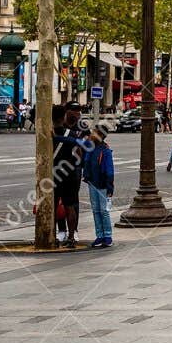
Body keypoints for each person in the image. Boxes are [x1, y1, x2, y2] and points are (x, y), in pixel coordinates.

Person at [52, 105, 85, 247]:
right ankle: (71, 237)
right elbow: (79, 151)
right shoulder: (71, 134)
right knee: (70, 206)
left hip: (53, 174)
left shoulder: (47, 133)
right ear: (63, 116)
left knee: (52, 206)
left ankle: (51, 236)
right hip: (69, 174)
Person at [83, 124, 116, 249]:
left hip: (102, 184)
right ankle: (100, 235)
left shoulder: (105, 150)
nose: (92, 134)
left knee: (104, 211)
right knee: (96, 210)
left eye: (95, 133)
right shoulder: (91, 147)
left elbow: (109, 170)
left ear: (101, 135)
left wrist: (110, 187)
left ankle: (107, 236)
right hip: (92, 182)